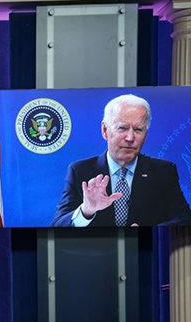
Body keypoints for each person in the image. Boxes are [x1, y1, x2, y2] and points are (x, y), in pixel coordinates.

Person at [51, 94, 191, 227]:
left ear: (146, 134)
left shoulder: (164, 171)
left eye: (138, 129)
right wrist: (86, 210)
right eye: (122, 128)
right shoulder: (80, 171)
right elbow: (57, 225)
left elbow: (184, 219)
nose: (130, 138)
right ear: (105, 130)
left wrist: (150, 231)